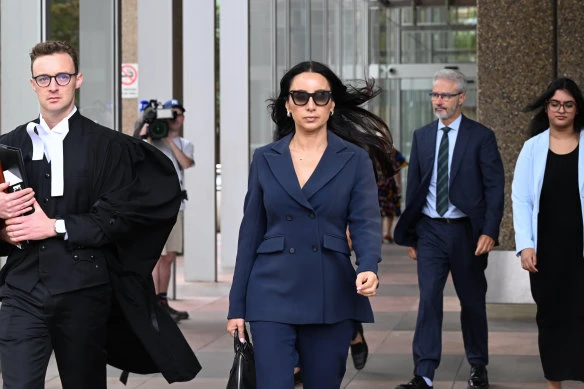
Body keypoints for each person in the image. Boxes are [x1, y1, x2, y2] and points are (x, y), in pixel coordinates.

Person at [0, 40, 200, 388]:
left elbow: (119, 219)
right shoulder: (8, 147)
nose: (53, 86)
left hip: (83, 290)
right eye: (43, 78)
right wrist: (2, 228)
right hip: (22, 291)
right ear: (32, 84)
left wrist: (55, 225)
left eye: (62, 76)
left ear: (78, 79)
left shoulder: (110, 147)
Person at [226, 60, 394, 389]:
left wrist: (370, 264)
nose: (310, 105)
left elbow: (365, 220)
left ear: (332, 105)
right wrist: (237, 306)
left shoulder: (354, 158)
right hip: (270, 290)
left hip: (329, 289)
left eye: (320, 97)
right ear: (288, 105)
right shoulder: (265, 158)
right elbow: (250, 234)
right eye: (300, 97)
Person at [393, 69, 504, 389]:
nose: (438, 101)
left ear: (461, 98)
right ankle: (424, 373)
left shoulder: (481, 136)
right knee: (428, 299)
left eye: (444, 95)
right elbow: (415, 187)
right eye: (434, 94)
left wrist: (490, 230)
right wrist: (412, 233)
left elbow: (495, 187)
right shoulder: (422, 136)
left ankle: (478, 366)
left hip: (466, 233)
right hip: (429, 231)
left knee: (471, 301)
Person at [512, 77, 584, 389]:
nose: (561, 109)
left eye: (568, 104)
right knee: (550, 317)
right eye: (555, 104)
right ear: (547, 107)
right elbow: (521, 199)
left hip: (580, 250)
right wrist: (525, 245)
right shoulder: (532, 148)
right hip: (546, 252)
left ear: (577, 108)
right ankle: (554, 383)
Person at [134, 99, 195, 322]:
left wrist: (169, 139)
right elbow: (132, 150)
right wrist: (144, 127)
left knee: (168, 256)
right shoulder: (148, 140)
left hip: (175, 206)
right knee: (153, 256)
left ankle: (162, 300)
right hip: (150, 207)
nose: (173, 119)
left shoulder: (183, 143)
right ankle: (149, 300)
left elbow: (186, 163)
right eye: (170, 116)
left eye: (177, 115)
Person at [377, 148, 408, 243]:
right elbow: (397, 171)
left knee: (379, 211)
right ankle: (388, 233)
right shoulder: (394, 154)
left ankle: (380, 235)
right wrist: (399, 184)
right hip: (389, 186)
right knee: (389, 210)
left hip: (378, 185)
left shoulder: (375, 152)